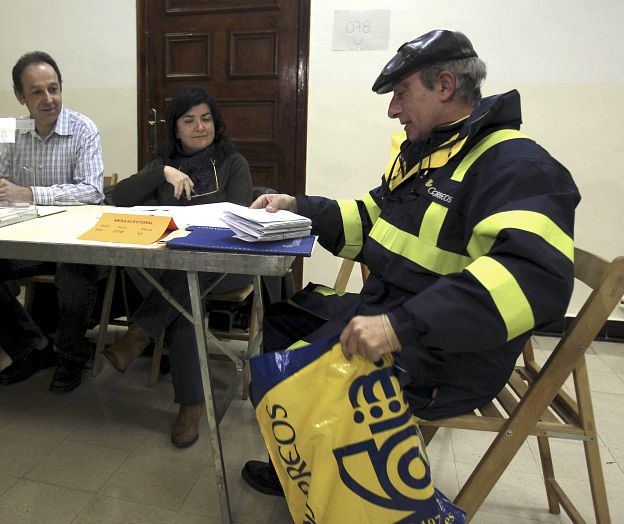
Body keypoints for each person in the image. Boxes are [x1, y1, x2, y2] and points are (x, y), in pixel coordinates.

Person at [240, 29, 580, 496]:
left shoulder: (516, 165)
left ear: (443, 85)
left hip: (449, 353)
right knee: (283, 320)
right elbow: (371, 220)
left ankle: (336, 490)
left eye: (401, 94)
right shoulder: (430, 158)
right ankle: (311, 474)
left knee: (300, 368)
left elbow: (533, 279)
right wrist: (299, 207)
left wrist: (400, 325)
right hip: (400, 314)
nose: (393, 110)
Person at [102, 85, 253, 447]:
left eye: (206, 119)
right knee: (181, 294)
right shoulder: (163, 165)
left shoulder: (234, 163)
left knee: (183, 289)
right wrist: (161, 174)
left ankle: (139, 336)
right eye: (189, 120)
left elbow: (238, 223)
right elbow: (116, 198)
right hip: (174, 267)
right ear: (175, 128)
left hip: (224, 262)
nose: (200, 127)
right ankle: (190, 404)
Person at [0, 51, 104, 393]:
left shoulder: (83, 129)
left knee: (74, 273)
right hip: (26, 240)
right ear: (20, 97)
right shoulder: (12, 132)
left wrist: (28, 193)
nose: (48, 99)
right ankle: (32, 349)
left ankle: (71, 355)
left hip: (74, 241)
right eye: (37, 92)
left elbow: (93, 191)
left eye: (54, 89)